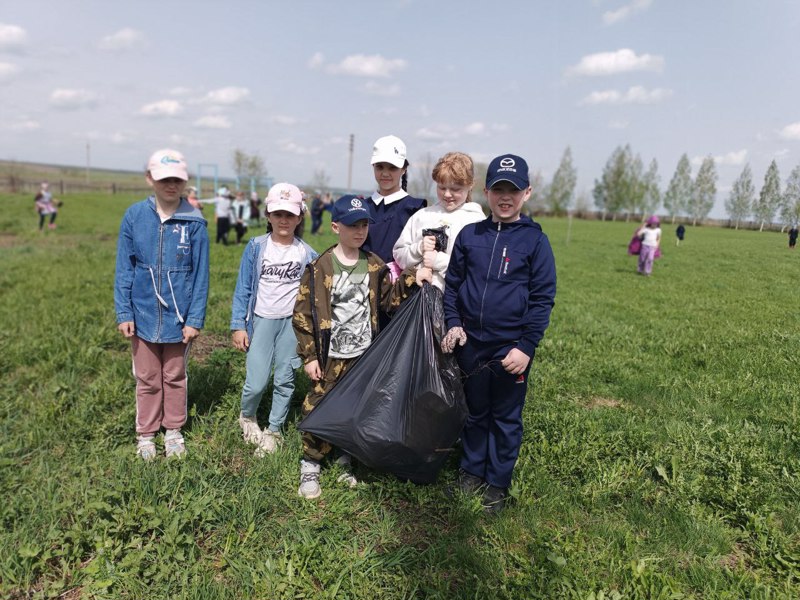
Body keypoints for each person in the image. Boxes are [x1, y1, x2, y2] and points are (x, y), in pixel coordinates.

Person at [292, 194, 428, 499]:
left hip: (363, 356)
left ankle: (345, 457)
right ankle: (311, 462)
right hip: (330, 357)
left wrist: (410, 278)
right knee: (319, 404)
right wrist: (310, 356)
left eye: (365, 224)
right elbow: (302, 314)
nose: (360, 231)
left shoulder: (374, 265)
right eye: (353, 225)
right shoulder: (320, 267)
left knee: (354, 409)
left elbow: (388, 301)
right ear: (335, 226)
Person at [441, 153, 556, 513]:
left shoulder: (535, 242)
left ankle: (497, 483)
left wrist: (526, 346)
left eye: (514, 190)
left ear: (527, 192)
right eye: (499, 190)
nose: (505, 198)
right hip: (471, 345)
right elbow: (453, 288)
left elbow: (542, 299)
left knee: (505, 417)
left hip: (511, 350)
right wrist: (454, 323)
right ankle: (472, 471)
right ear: (487, 192)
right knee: (475, 412)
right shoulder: (470, 235)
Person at [114, 149, 209, 460]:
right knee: (148, 377)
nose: (171, 185)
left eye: (177, 180)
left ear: (185, 182)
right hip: (141, 314)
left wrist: (194, 318)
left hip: (179, 318)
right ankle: (146, 433)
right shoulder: (134, 216)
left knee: (174, 375)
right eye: (164, 179)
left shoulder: (194, 222)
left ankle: (173, 430)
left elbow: (200, 275)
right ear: (149, 178)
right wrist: (124, 311)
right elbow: (124, 267)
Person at [231, 183, 318, 456]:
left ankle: (274, 429)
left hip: (290, 325)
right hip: (261, 321)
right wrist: (238, 325)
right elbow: (243, 287)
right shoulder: (256, 247)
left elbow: (314, 292)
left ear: (299, 217)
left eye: (290, 215)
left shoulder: (306, 253)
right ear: (267, 215)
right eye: (278, 214)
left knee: (284, 378)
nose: (284, 220)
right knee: (256, 381)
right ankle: (247, 416)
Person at [393, 152, 485, 292]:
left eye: (455, 189)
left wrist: (439, 262)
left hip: (455, 307)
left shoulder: (478, 223)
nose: (447, 194)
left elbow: (478, 270)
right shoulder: (422, 216)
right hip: (417, 302)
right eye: (442, 188)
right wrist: (418, 248)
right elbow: (399, 255)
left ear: (470, 185)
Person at [361, 134, 427, 272]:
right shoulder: (362, 207)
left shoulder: (414, 209)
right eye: (380, 167)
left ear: (403, 169)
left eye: (392, 168)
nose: (385, 173)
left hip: (399, 288)